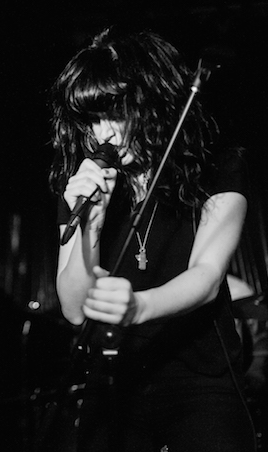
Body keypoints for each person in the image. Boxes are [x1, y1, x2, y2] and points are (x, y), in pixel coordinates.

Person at [49, 27, 256, 451]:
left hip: (198, 377)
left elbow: (208, 275)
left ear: (151, 101)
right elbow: (73, 309)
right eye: (91, 118)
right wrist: (90, 226)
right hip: (112, 379)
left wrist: (140, 306)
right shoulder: (84, 181)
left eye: (114, 112)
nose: (102, 132)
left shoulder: (216, 164)